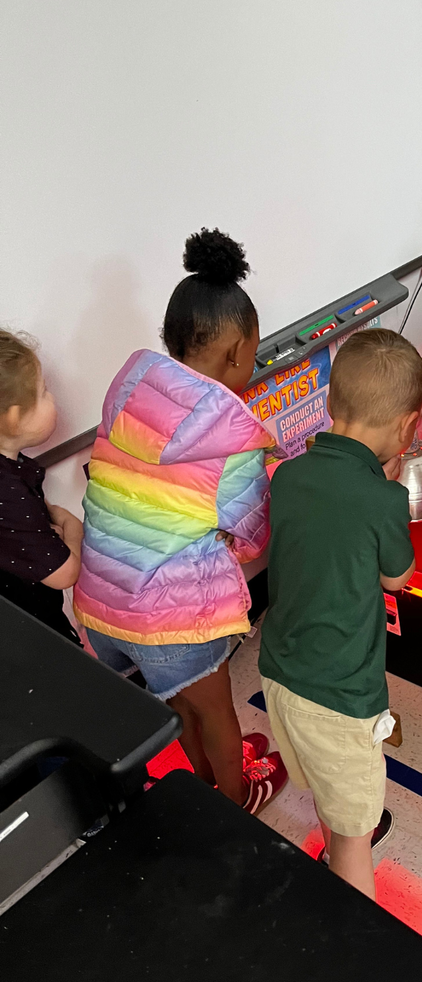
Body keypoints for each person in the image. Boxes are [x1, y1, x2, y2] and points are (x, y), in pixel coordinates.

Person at [73, 229, 287, 814]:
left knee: (174, 703)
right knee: (216, 709)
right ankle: (238, 800)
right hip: (169, 615)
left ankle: (202, 782)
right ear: (240, 351)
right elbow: (255, 537)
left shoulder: (128, 391)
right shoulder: (235, 438)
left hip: (101, 604)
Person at [258, 328, 422, 898]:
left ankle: (338, 834)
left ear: (331, 403)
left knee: (330, 791)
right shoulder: (383, 497)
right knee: (356, 844)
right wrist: (389, 489)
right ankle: (358, 942)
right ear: (408, 428)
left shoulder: (288, 475)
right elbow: (397, 576)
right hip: (342, 699)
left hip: (280, 674)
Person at [0, 330, 83, 644]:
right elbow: (65, 572)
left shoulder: (12, 469)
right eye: (44, 391)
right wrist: (72, 529)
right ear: (12, 420)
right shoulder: (7, 493)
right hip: (31, 635)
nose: (52, 398)